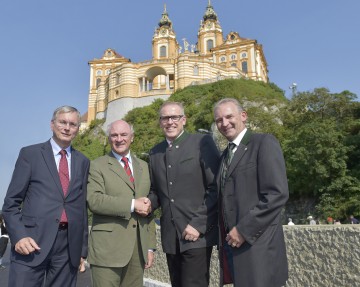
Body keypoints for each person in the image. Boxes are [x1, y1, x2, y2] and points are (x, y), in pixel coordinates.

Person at [2, 106, 89, 287]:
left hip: (67, 248)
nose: (67, 127)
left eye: (72, 124)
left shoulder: (83, 161)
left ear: (78, 129)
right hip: (32, 242)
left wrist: (81, 250)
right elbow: (11, 203)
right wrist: (19, 236)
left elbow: (81, 208)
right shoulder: (30, 154)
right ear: (52, 124)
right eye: (62, 122)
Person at [213, 98, 289, 287]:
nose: (224, 123)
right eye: (219, 120)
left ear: (243, 116)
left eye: (229, 116)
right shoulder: (224, 156)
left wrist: (243, 230)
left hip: (258, 246)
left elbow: (277, 194)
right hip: (233, 247)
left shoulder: (263, 143)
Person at [148, 102, 220, 287]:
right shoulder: (155, 152)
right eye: (165, 118)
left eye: (175, 117)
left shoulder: (202, 142)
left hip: (197, 235)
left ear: (184, 120)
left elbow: (215, 187)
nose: (170, 122)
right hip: (171, 237)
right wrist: (146, 203)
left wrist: (198, 224)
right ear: (160, 122)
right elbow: (157, 191)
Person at [87, 120, 156, 287]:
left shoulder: (144, 166)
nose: (119, 139)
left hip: (137, 251)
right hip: (107, 250)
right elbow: (94, 201)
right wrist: (132, 204)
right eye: (114, 135)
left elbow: (148, 208)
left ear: (132, 137)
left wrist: (150, 247)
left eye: (124, 135)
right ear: (109, 139)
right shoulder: (97, 165)